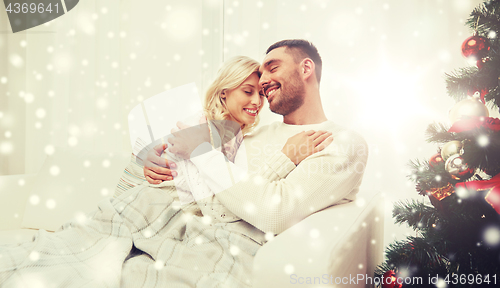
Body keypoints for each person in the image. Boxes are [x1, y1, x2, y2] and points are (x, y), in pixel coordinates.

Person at [0, 54, 332, 288]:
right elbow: (193, 172)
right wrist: (149, 159)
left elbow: (220, 183)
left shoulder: (242, 135)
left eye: (261, 93)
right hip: (148, 208)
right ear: (224, 92)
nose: (257, 102)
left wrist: (149, 156)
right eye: (248, 92)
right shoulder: (216, 128)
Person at [144, 39, 369, 236]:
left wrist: (199, 152)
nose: (263, 81)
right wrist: (154, 159)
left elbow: (275, 214)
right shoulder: (247, 136)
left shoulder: (343, 142)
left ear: (306, 68)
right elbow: (212, 197)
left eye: (273, 68)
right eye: (253, 84)